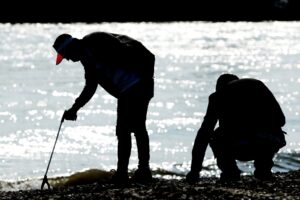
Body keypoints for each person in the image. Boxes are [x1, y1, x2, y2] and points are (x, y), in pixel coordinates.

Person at [52, 32, 155, 184]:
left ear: (70, 47)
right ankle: (140, 171)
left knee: (126, 130)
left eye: (65, 55)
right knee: (135, 128)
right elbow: (90, 87)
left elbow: (125, 51)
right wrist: (75, 108)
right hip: (130, 88)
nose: (66, 59)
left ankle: (125, 173)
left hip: (136, 85)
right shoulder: (87, 59)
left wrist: (141, 77)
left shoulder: (95, 40)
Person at [186, 74, 286, 183]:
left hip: (238, 144)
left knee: (216, 135)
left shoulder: (217, 96)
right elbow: (281, 120)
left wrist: (194, 171)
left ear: (219, 87)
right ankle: (263, 169)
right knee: (272, 131)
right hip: (267, 142)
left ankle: (230, 172)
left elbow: (203, 135)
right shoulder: (258, 85)